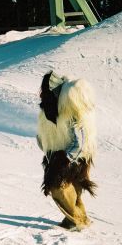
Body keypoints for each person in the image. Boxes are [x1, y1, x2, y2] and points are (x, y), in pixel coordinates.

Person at [36, 70, 97, 231]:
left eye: (44, 90)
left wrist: (64, 160)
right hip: (59, 156)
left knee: (59, 187)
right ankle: (78, 218)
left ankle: (76, 221)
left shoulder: (68, 111)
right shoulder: (50, 110)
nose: (40, 93)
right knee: (72, 190)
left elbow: (80, 141)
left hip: (73, 158)